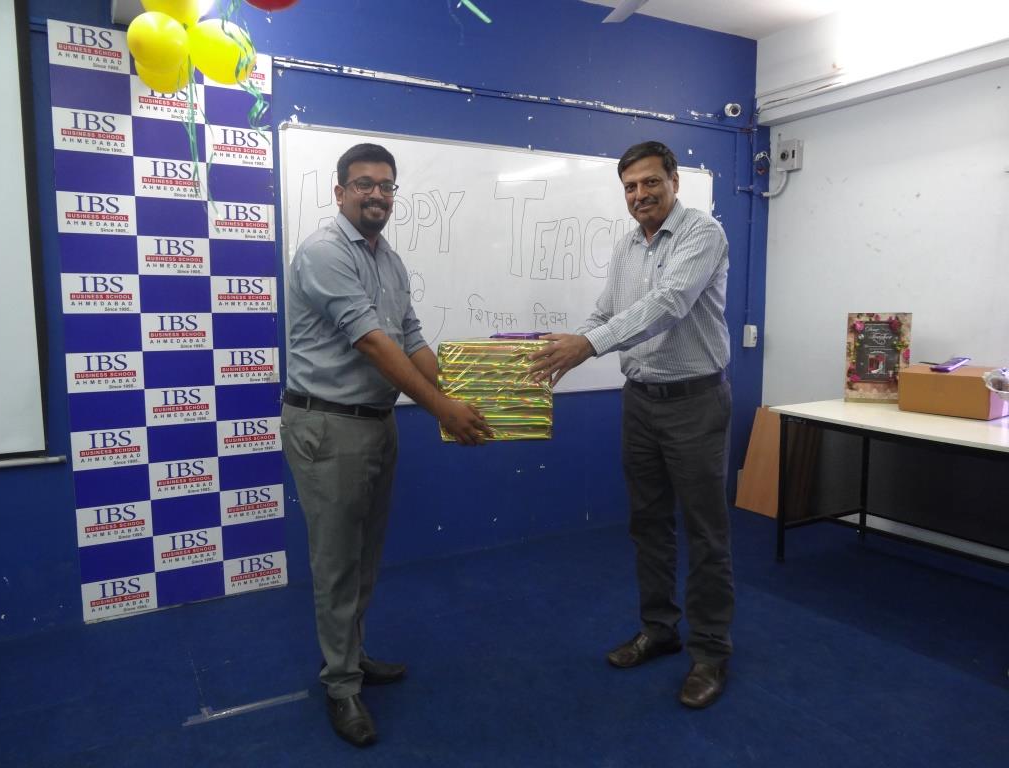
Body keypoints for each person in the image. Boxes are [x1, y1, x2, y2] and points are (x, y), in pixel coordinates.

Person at [281, 143, 491, 747]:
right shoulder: (325, 251)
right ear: (340, 191)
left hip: (375, 422)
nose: (376, 194)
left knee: (364, 556)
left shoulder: (389, 261)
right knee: (337, 562)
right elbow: (373, 343)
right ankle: (341, 686)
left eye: (386, 185)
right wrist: (443, 408)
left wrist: (465, 393)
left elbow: (412, 338)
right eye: (363, 183)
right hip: (329, 426)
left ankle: (351, 655)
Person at [528, 140, 734, 709]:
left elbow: (669, 303)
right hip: (640, 402)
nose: (640, 195)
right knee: (648, 524)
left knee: (706, 532)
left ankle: (711, 651)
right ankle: (660, 629)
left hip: (695, 402)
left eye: (650, 182)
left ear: (674, 182)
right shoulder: (627, 246)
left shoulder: (702, 234)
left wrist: (588, 345)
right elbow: (608, 311)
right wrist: (564, 345)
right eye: (630, 187)